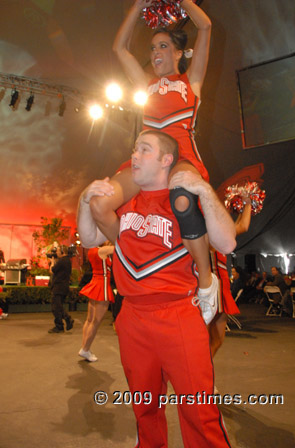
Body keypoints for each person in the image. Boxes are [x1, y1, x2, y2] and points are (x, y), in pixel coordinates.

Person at [77, 130, 236, 446]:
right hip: (132, 316)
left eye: (144, 150)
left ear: (166, 160)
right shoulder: (124, 205)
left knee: (199, 413)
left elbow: (228, 241)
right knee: (144, 411)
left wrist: (204, 191)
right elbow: (91, 239)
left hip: (178, 313)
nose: (134, 155)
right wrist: (84, 200)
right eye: (134, 148)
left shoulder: (184, 200)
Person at [90, 0, 217, 322]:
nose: (156, 52)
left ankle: (205, 279)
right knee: (101, 204)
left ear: (178, 53)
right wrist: (138, 6)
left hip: (181, 155)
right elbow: (119, 48)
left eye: (163, 46)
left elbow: (205, 26)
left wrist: (184, 2)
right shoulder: (144, 85)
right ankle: (128, 253)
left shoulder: (193, 82)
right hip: (147, 158)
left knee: (183, 198)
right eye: (152, 47)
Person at [208, 198, 252, 357]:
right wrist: (248, 202)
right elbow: (243, 226)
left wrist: (242, 208)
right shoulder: (211, 236)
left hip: (219, 289)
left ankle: (204, 376)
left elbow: (238, 226)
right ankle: (200, 377)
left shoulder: (215, 234)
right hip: (213, 292)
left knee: (216, 340)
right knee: (210, 340)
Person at [78, 242, 115, 362]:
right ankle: (85, 348)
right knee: (95, 322)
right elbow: (122, 247)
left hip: (95, 283)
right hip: (102, 285)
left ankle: (85, 348)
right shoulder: (103, 250)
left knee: (90, 320)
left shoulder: (92, 250)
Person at [48, 245, 74, 334]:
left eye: (58, 251)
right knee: (58, 306)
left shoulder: (62, 261)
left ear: (63, 252)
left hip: (58, 287)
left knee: (56, 307)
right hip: (64, 286)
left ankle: (61, 324)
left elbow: (52, 270)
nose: (57, 253)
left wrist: (52, 262)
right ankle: (65, 321)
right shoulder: (68, 261)